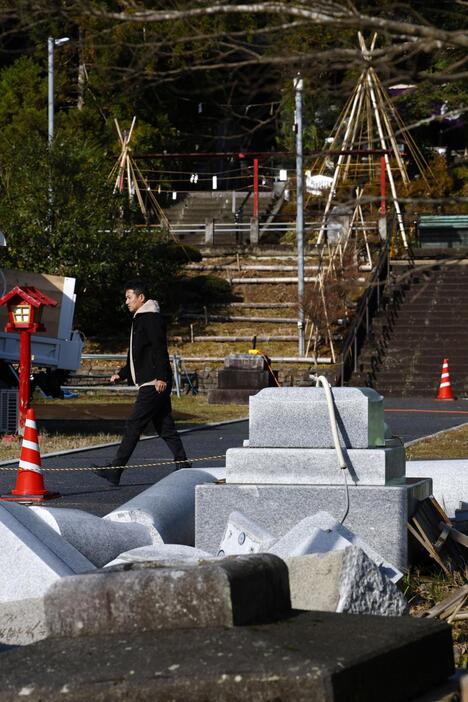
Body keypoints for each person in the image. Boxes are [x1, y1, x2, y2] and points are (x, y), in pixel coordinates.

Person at [92, 280, 191, 486]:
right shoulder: (140, 318)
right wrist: (122, 373)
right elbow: (137, 354)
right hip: (150, 380)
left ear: (141, 298)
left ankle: (115, 470)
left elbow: (158, 348)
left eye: (129, 297)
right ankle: (183, 463)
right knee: (165, 426)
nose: (126, 301)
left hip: (154, 382)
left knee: (134, 425)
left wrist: (162, 377)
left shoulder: (150, 318)